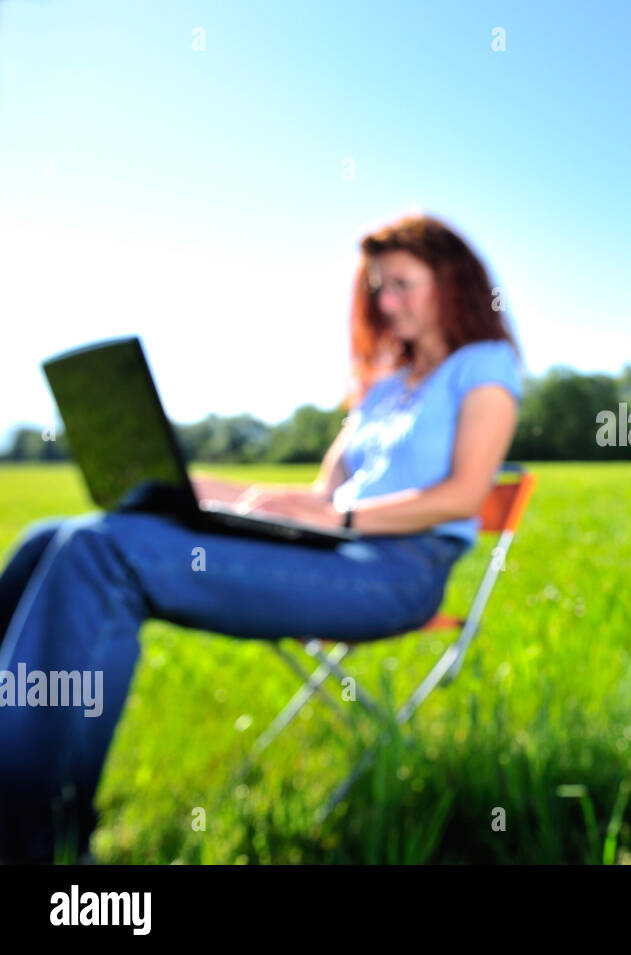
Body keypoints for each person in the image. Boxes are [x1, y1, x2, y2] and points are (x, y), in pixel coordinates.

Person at [0, 213, 523, 862]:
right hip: (332, 552)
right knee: (50, 535)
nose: (387, 302)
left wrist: (349, 519)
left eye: (403, 284)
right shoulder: (384, 389)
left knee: (96, 553)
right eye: (379, 288)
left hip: (399, 573)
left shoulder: (485, 366)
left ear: (453, 281)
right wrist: (199, 489)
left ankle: (32, 844)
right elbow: (321, 495)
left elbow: (463, 493)